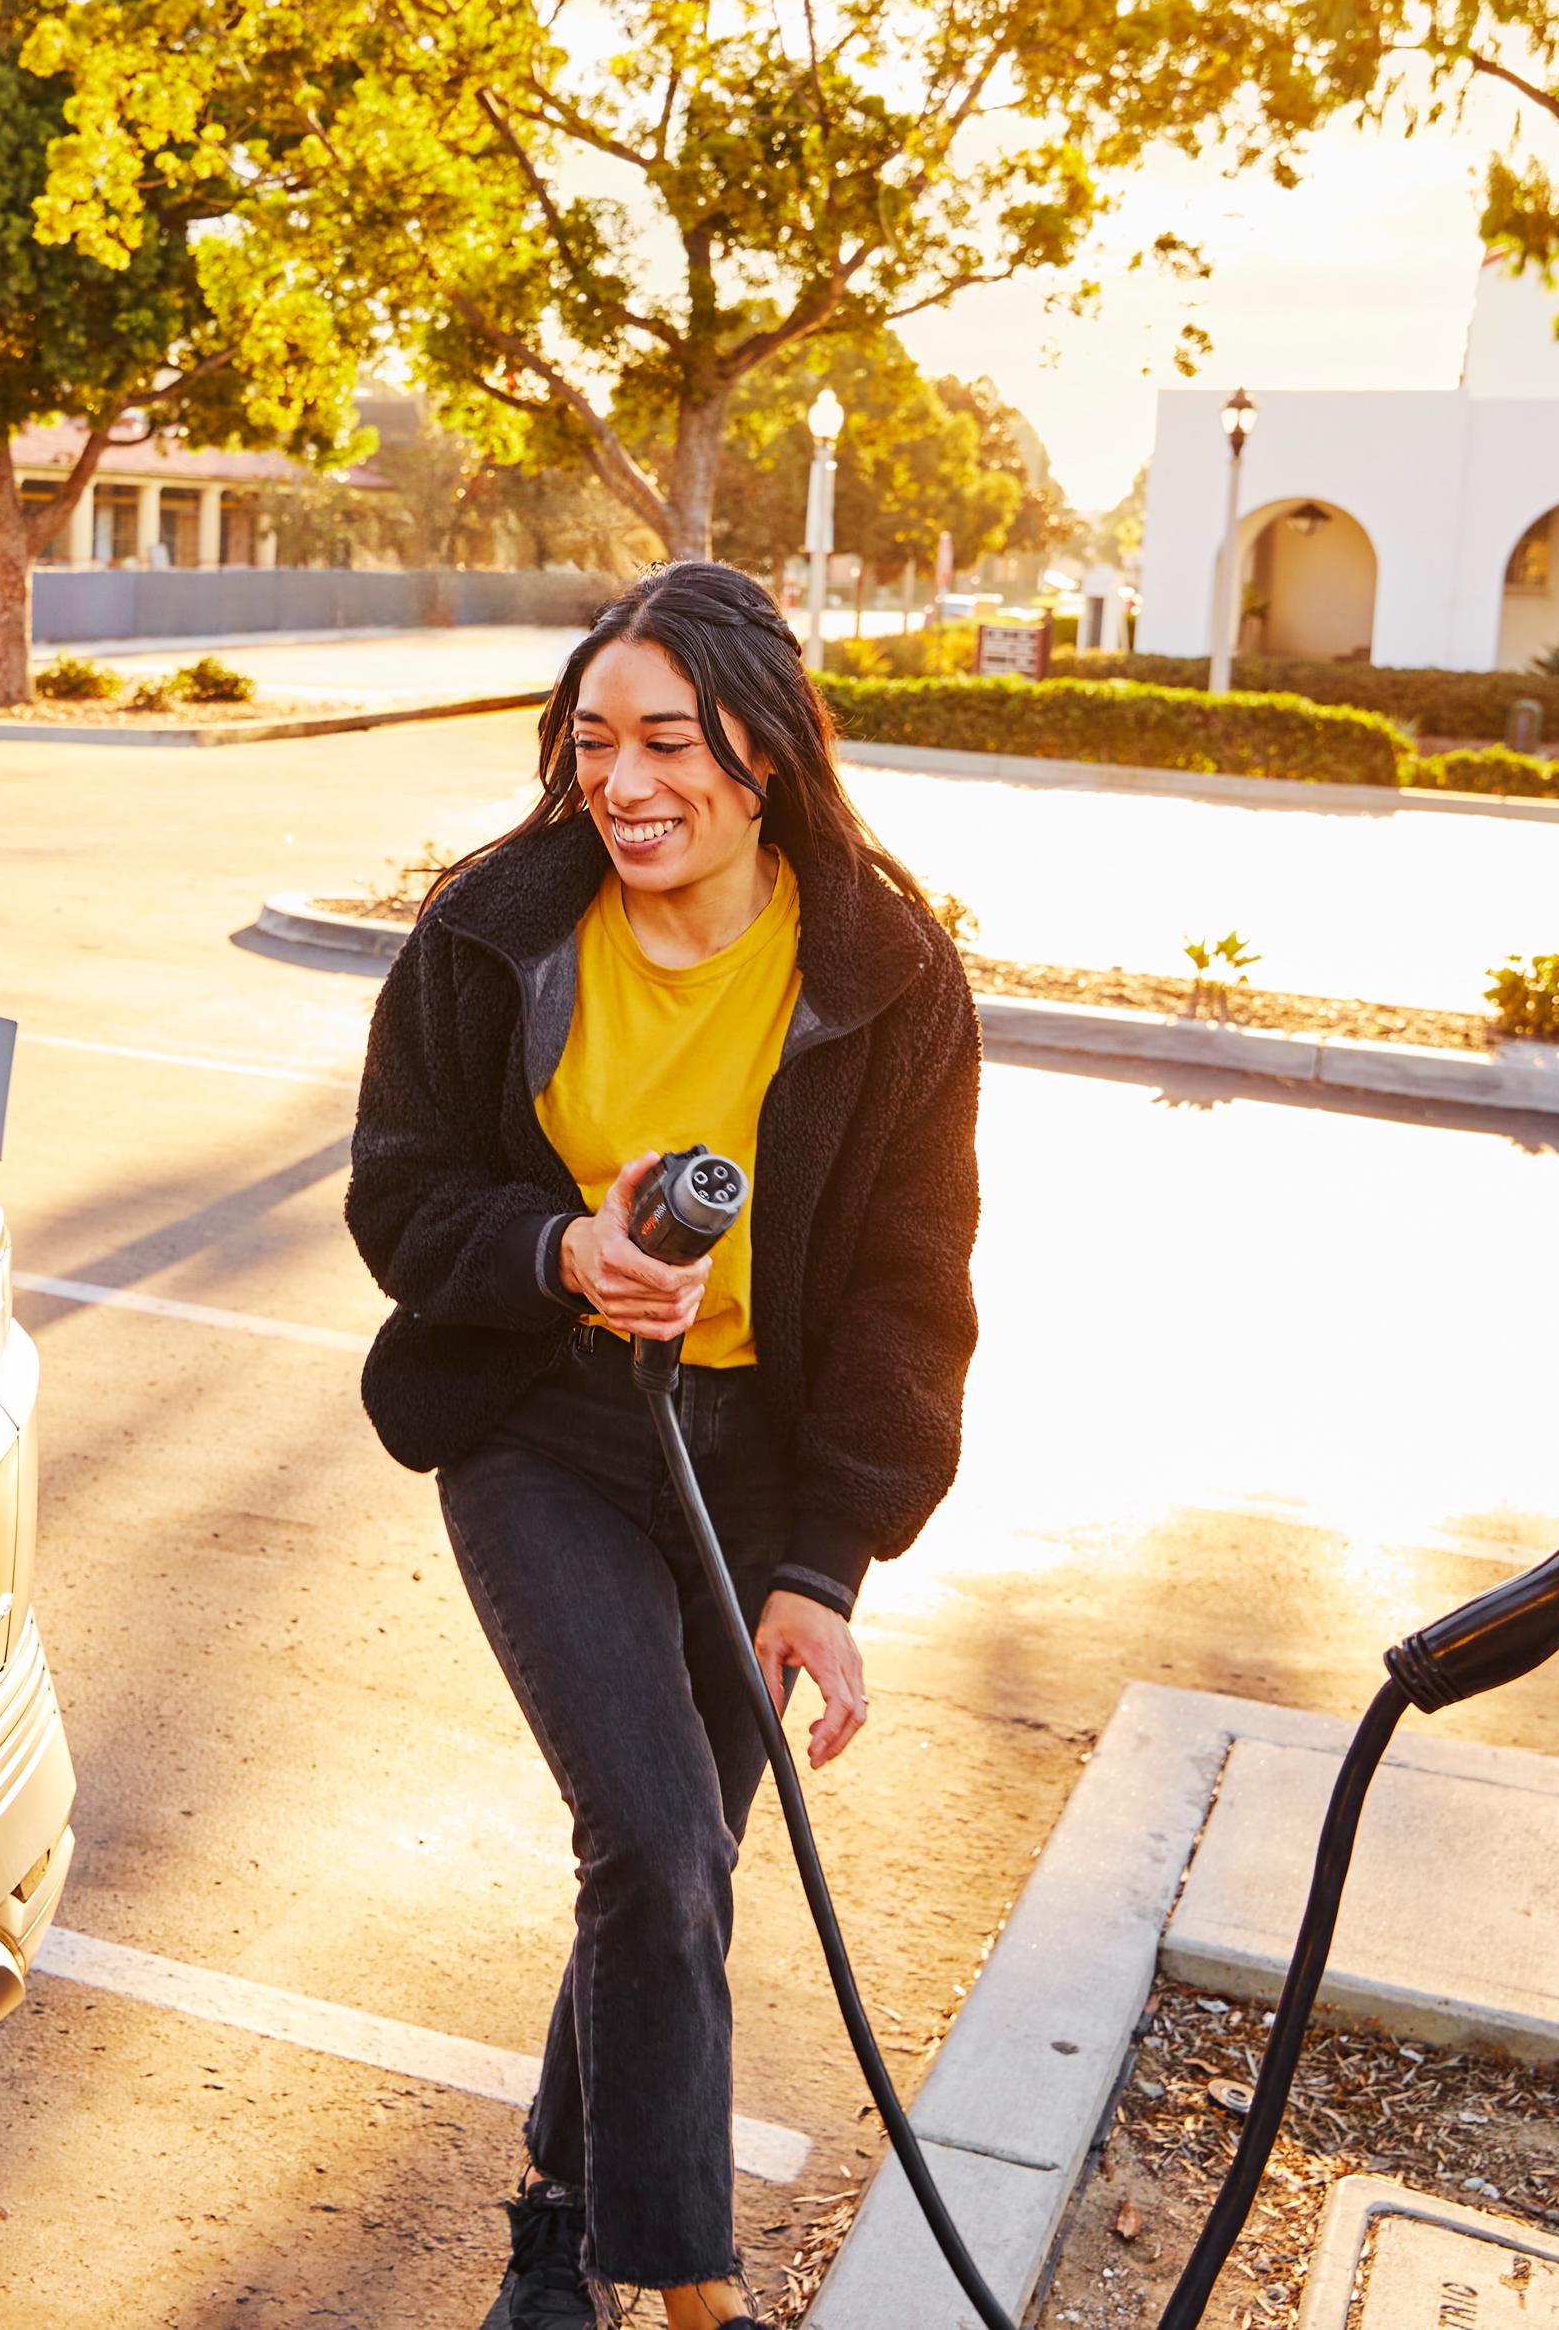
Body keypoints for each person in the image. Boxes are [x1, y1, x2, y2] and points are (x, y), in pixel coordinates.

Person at [346, 562, 980, 2328]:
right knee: (655, 1834)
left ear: (762, 753)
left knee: (670, 1863)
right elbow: (397, 1194)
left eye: (669, 742)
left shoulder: (882, 974)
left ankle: (556, 2228)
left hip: (755, 1461)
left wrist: (823, 1567)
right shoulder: (497, 932)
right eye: (592, 741)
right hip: (544, 1425)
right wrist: (560, 1252)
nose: (624, 781)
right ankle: (692, 2295)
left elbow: (913, 1292)